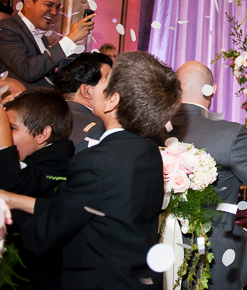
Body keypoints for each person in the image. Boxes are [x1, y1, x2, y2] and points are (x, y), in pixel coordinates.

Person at [0, 51, 182, 288]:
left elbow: (42, 236)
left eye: (104, 80)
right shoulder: (146, 150)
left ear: (112, 100)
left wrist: (5, 211)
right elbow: (74, 208)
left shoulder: (95, 161)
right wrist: (12, 200)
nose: (95, 86)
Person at [156, 61, 247, 290]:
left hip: (156, 242)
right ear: (212, 90)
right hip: (212, 248)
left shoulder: (152, 129)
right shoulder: (229, 134)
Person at [0, 88, 74, 289]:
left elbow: (12, 186)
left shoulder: (58, 159)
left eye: (11, 129)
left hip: (35, 275)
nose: (5, 135)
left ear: (43, 134)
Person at [0, 0, 95, 88]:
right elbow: (28, 71)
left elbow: (44, 73)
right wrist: (70, 38)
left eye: (57, 7)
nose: (54, 12)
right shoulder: (5, 28)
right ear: (28, 2)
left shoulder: (43, 38)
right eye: (49, 5)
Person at [53, 52, 113, 151]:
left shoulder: (44, 118)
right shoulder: (100, 130)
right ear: (86, 91)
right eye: (109, 82)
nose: (116, 87)